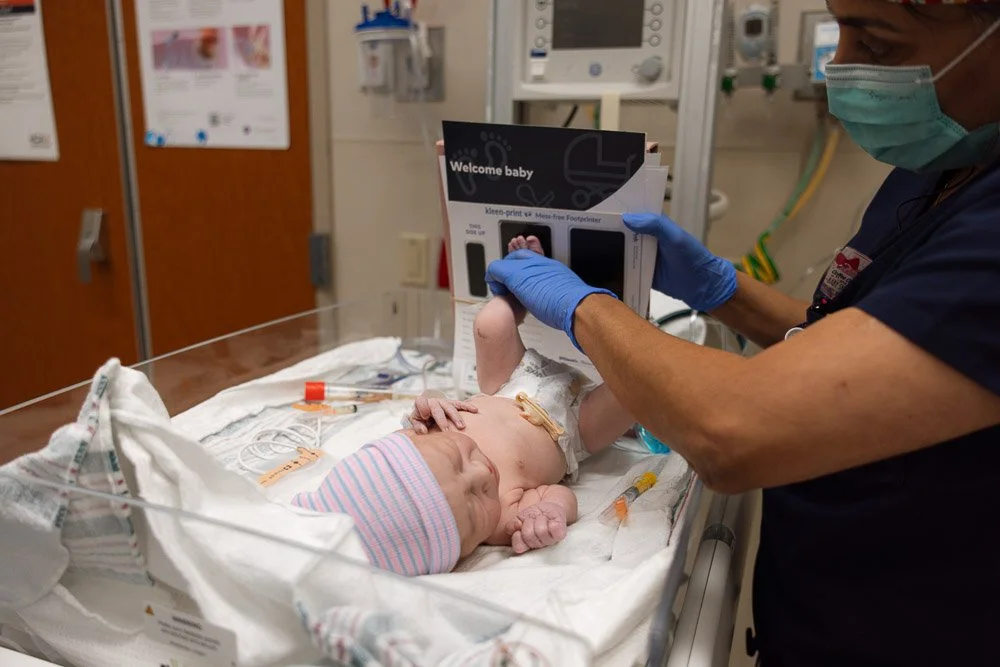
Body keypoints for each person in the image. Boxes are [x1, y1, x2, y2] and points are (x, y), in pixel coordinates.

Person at [484, 1, 1000, 665]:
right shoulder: (941, 170)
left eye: (875, 40)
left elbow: (731, 429)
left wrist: (585, 307)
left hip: (915, 628)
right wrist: (726, 291)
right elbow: (868, 348)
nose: (837, 63)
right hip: (824, 603)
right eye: (838, 26)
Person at [292, 236, 635, 575]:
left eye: (457, 462)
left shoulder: (428, 427)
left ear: (412, 436)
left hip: (511, 383)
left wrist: (432, 402)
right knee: (635, 389)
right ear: (464, 550)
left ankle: (523, 281)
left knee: (490, 324)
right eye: (474, 503)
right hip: (574, 426)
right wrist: (549, 512)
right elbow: (557, 494)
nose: (482, 473)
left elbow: (430, 402)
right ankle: (635, 332)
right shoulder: (502, 520)